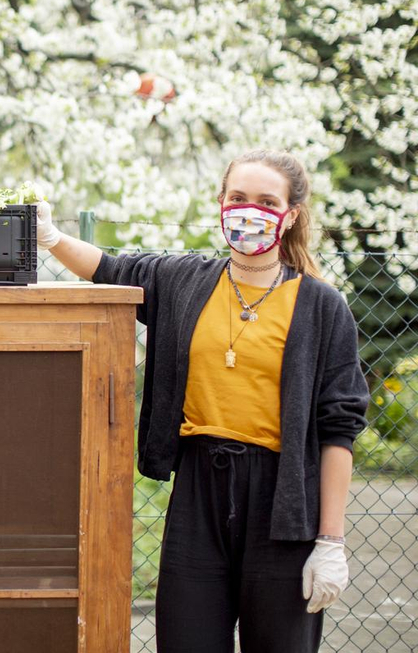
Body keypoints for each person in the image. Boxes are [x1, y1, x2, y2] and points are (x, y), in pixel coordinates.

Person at [37, 150, 369, 652]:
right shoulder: (185, 281)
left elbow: (339, 428)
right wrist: (51, 237)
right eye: (238, 198)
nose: (249, 210)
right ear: (220, 203)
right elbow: (108, 267)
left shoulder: (323, 306)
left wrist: (330, 541)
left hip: (283, 503)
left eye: (266, 201)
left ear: (291, 214)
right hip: (199, 489)